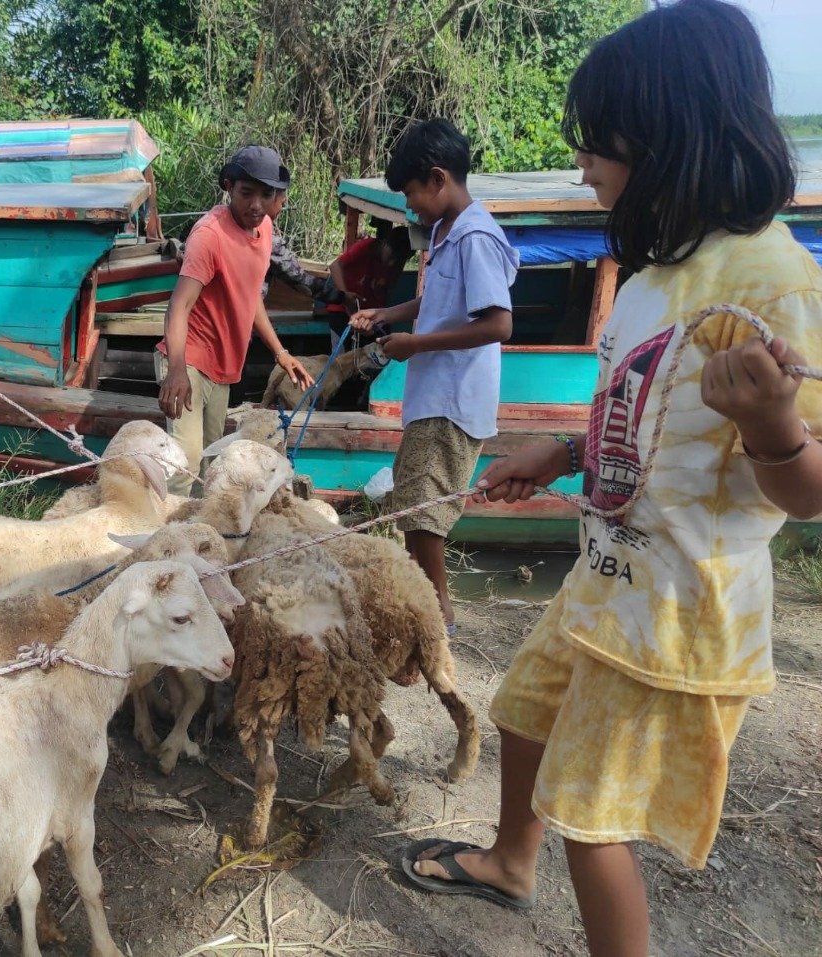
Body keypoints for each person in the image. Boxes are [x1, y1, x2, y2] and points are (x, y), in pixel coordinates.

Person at [394, 4, 822, 956]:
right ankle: (511, 860)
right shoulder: (650, 279)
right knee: (522, 710)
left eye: (598, 145)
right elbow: (646, 414)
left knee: (592, 821)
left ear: (671, 134)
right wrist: (566, 452)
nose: (583, 166)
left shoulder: (773, 280)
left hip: (677, 611)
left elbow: (810, 489)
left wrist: (772, 423)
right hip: (607, 575)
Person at [351, 119, 519, 632]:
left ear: (439, 178)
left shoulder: (476, 236)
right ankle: (423, 614)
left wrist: (413, 344)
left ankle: (435, 618)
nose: (411, 207)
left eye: (412, 194)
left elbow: (498, 323)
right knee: (411, 502)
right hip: (432, 396)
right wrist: (391, 314)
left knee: (423, 511)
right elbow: (442, 301)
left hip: (452, 400)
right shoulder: (447, 233)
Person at [157, 146, 315, 495]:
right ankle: (163, 540)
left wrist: (281, 353)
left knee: (212, 462)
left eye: (266, 195)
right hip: (190, 358)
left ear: (277, 197)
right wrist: (177, 370)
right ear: (229, 187)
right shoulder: (209, 235)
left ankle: (198, 538)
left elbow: (249, 298)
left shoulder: (266, 229)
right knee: (185, 462)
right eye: (246, 193)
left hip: (224, 364)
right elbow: (178, 307)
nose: (256, 204)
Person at [326, 219, 413, 337]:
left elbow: (386, 291)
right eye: (391, 256)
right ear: (385, 243)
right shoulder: (366, 247)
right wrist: (345, 295)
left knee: (380, 346)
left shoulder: (396, 264)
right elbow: (335, 266)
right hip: (342, 310)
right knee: (342, 353)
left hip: (370, 315)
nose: (392, 263)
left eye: (398, 260)